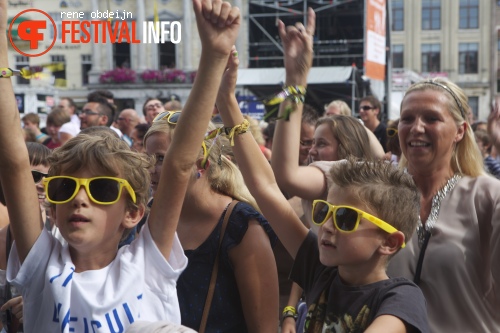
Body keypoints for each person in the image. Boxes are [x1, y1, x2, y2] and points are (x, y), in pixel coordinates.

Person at [0, 0, 240, 330]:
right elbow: (14, 163)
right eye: (64, 188)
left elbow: (179, 165)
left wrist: (213, 56)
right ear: (52, 210)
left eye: (101, 189)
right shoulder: (43, 265)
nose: (79, 198)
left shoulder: (146, 264)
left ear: (133, 212)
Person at [212, 10, 429, 332]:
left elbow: (276, 180)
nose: (326, 226)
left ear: (390, 241)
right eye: (325, 211)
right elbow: (264, 186)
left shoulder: (400, 297)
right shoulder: (321, 266)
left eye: (344, 218)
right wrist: (232, 101)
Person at [144, 113, 278, 332]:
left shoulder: (240, 226)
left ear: (200, 162)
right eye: (147, 158)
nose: (150, 169)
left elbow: (265, 329)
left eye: (160, 158)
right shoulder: (148, 217)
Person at [386, 77, 500, 332]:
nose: (416, 128)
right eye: (407, 119)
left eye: (431, 118)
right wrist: (295, 81)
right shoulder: (380, 195)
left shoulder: (488, 196)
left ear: (460, 131)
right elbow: (288, 177)